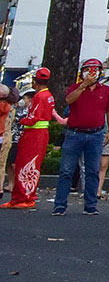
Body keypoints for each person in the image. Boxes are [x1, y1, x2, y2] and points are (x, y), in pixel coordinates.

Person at [56, 59, 109, 215]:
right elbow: (69, 100)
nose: (90, 73)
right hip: (74, 133)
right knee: (66, 171)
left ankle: (90, 205)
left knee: (93, 171)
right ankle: (60, 205)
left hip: (96, 135)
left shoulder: (106, 90)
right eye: (87, 70)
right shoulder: (75, 88)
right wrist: (84, 85)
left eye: (94, 70)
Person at [6, 69, 59, 208]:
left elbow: (33, 118)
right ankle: (20, 197)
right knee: (28, 164)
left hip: (34, 133)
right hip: (38, 133)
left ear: (35, 81)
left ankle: (24, 198)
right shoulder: (47, 96)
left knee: (26, 164)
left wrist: (22, 121)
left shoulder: (40, 97)